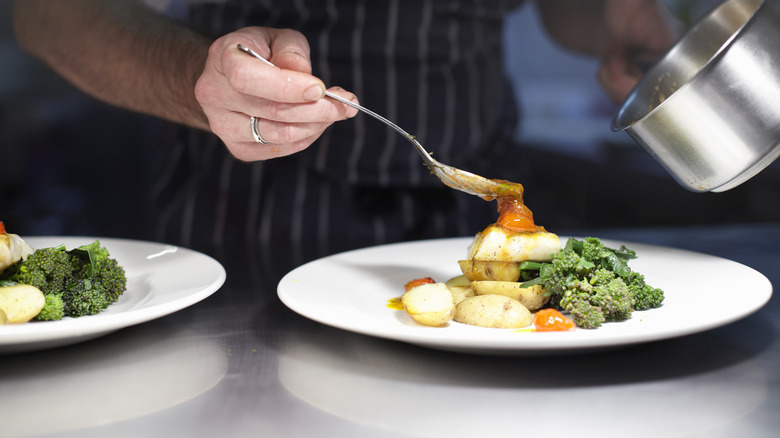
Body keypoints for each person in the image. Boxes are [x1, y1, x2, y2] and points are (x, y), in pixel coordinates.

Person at [13, 0, 676, 275]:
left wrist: (616, 16)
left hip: (474, 188)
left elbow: (564, 13)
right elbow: (46, 14)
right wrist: (194, 76)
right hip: (248, 201)